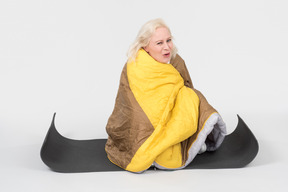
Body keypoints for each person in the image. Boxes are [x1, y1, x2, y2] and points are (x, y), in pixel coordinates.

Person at [105, 18, 226, 173]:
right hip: (143, 129)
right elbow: (132, 106)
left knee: (192, 96)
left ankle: (187, 141)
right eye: (159, 43)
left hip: (171, 119)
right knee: (190, 97)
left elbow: (187, 87)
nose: (166, 47)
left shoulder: (176, 61)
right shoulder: (135, 67)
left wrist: (184, 97)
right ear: (146, 47)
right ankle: (161, 147)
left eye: (168, 40)